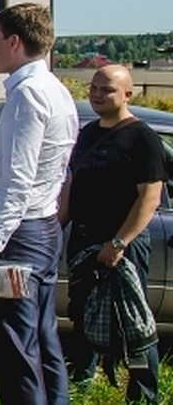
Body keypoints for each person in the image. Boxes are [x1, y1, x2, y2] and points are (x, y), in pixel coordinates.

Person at [0, 3, 76, 405]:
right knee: (43, 335)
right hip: (43, 225)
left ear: (15, 42)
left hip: (21, 232)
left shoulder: (28, 95)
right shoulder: (55, 88)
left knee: (16, 346)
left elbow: (18, 179)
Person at [61, 65, 164, 403]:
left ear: (127, 95)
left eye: (106, 90)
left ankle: (144, 394)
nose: (97, 94)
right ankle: (82, 386)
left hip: (122, 246)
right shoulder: (88, 133)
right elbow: (72, 185)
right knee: (83, 315)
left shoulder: (142, 137)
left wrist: (119, 242)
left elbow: (150, 196)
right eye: (93, 88)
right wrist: (57, 226)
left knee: (131, 321)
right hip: (84, 241)